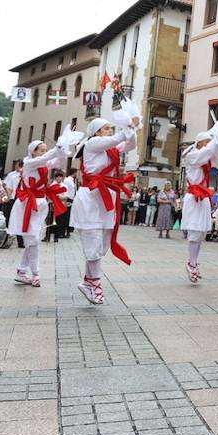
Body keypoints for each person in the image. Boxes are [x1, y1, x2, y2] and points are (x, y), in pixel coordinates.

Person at [75, 100, 140, 304]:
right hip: (91, 197)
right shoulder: (92, 143)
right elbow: (119, 138)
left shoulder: (109, 148)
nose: (109, 130)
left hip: (105, 198)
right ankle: (94, 283)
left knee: (101, 243)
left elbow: (130, 144)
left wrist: (134, 127)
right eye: (106, 128)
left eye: (110, 127)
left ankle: (88, 281)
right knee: (93, 240)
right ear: (96, 131)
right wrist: (127, 126)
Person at [9, 133, 79, 286]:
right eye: (41, 150)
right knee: (33, 240)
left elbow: (59, 161)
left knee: (33, 240)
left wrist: (63, 149)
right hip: (29, 204)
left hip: (40, 203)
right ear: (33, 151)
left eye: (45, 150)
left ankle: (22, 271)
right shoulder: (29, 163)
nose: (44, 152)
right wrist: (57, 147)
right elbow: (45, 158)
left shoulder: (43, 164)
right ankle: (35, 273)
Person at [180, 120, 218, 282]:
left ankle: (193, 262)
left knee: (201, 233)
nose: (208, 145)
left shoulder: (205, 157)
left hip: (203, 197)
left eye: (208, 142)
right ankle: (191, 263)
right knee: (194, 231)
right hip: (194, 198)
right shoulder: (192, 156)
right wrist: (214, 139)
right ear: (199, 143)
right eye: (206, 142)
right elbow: (206, 152)